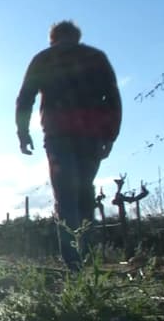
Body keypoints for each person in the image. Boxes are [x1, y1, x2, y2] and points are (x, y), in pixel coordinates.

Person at [15, 20, 122, 271]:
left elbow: (25, 99)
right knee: (85, 192)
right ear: (77, 36)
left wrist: (22, 132)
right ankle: (87, 256)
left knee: (65, 197)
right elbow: (113, 99)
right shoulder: (96, 57)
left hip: (58, 135)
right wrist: (110, 136)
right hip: (91, 136)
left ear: (53, 38)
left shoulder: (43, 58)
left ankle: (74, 263)